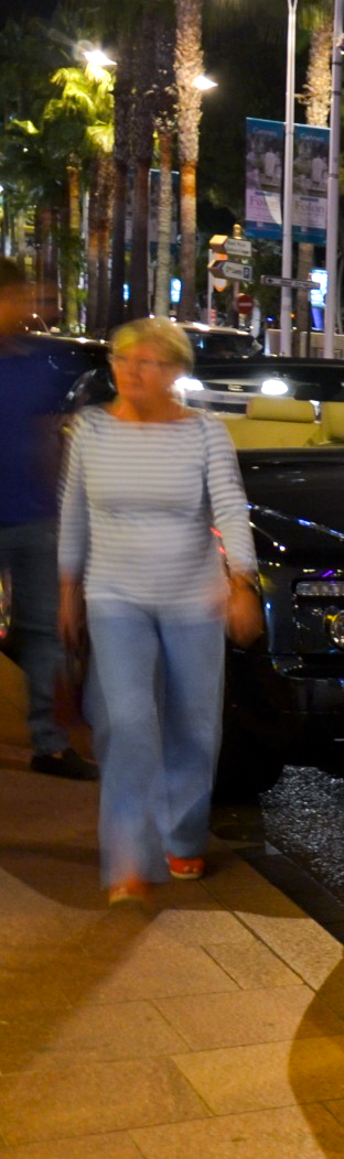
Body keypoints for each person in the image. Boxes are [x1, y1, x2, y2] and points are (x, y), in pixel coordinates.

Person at [57, 318, 257, 903]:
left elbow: (230, 505)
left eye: (147, 362)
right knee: (127, 720)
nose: (132, 371)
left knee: (194, 726)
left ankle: (183, 837)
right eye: (123, 360)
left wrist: (240, 582)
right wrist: (69, 589)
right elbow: (75, 515)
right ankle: (126, 857)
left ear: (175, 373)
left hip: (192, 598)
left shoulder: (205, 433)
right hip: (115, 595)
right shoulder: (91, 429)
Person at [0, 258, 92, 781]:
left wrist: (58, 506)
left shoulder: (36, 363)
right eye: (13, 297)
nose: (24, 308)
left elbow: (45, 438)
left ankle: (50, 745)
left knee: (42, 634)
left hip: (33, 518)